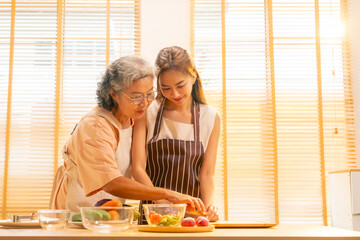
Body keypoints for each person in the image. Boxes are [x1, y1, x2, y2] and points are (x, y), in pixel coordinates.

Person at [49, 56, 206, 212]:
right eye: (136, 96)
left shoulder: (134, 118)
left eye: (150, 94)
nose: (144, 103)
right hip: (78, 215)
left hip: (108, 216)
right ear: (114, 94)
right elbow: (111, 182)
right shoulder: (95, 126)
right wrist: (168, 194)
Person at [132, 46, 221, 223]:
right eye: (166, 88)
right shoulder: (149, 111)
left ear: (193, 76)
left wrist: (209, 208)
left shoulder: (210, 117)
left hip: (193, 215)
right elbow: (138, 169)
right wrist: (162, 204)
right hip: (153, 214)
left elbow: (207, 173)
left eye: (180, 85)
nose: (175, 94)